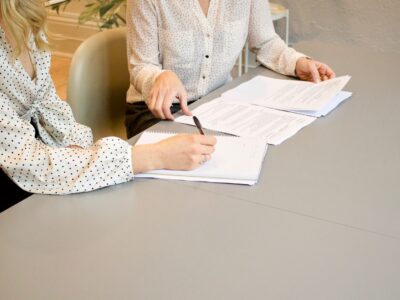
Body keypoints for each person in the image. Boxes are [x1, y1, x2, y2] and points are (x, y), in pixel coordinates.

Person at [0, 0, 216, 211]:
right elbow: (27, 161)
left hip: (42, 166)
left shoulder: (23, 15)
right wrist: (154, 155)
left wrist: (77, 147)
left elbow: (48, 102)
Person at [126, 0, 336, 138]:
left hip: (217, 105)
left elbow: (265, 42)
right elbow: (141, 65)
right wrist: (160, 77)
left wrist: (298, 63)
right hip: (157, 112)